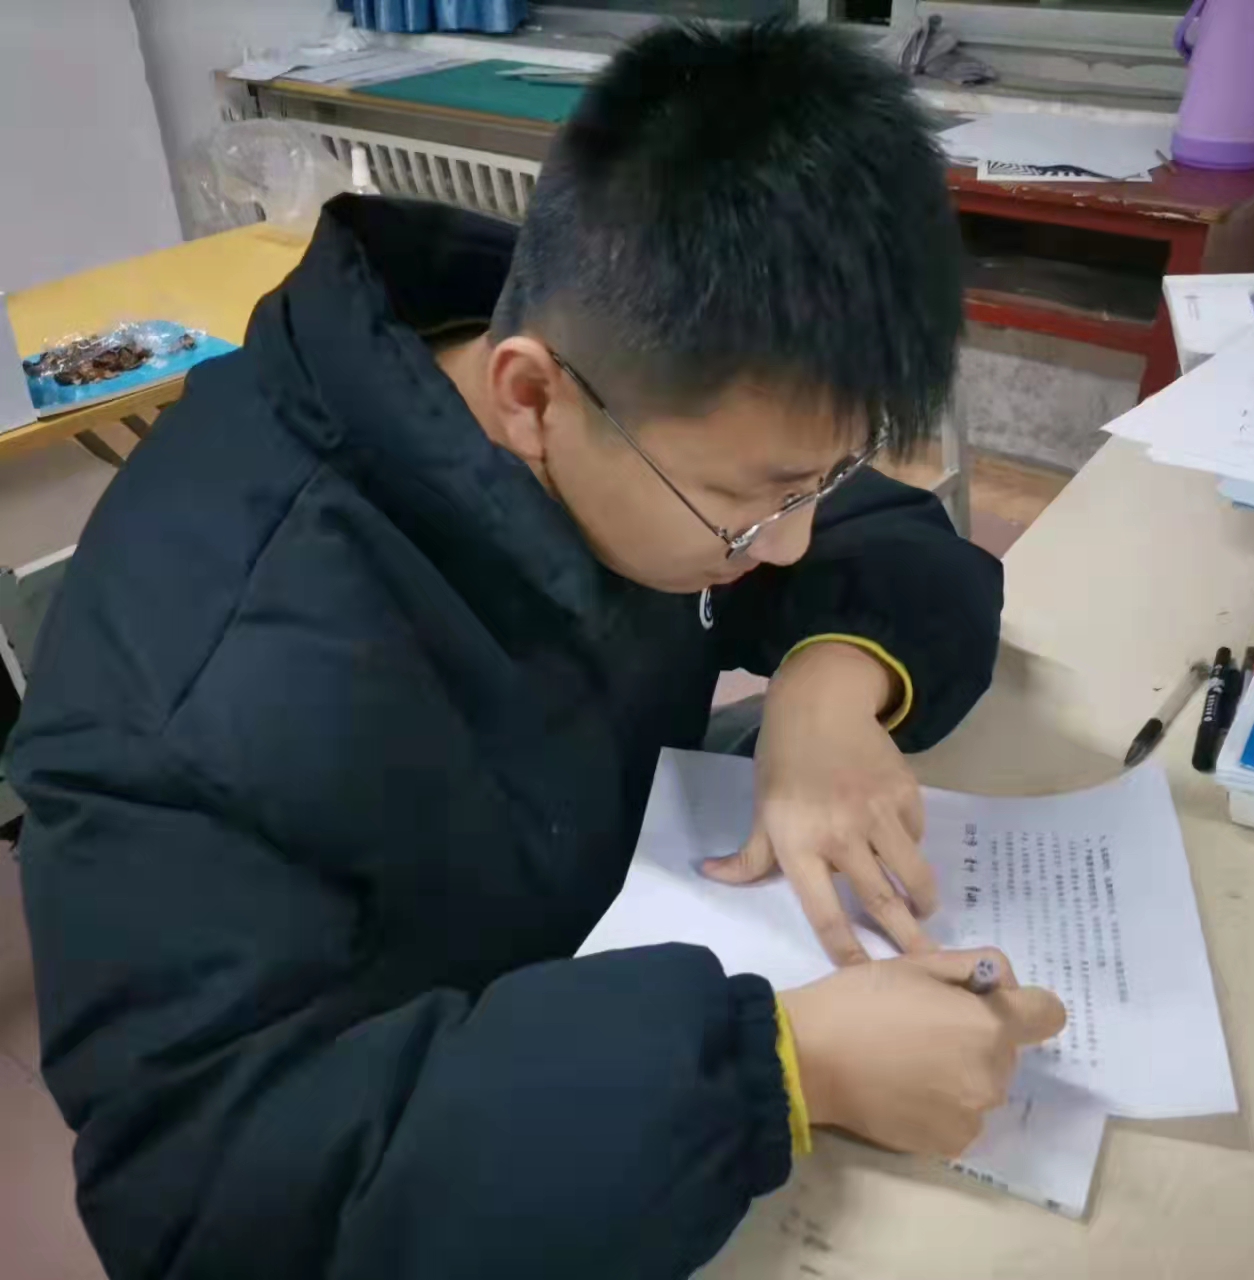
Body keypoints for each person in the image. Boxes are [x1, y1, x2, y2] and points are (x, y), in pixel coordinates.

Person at [8, 21, 1065, 1280]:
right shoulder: (200, 693)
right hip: (483, 1126)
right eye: (751, 502)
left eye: (812, 483)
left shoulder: (638, 374)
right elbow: (205, 1201)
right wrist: (778, 1068)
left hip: (595, 961)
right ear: (526, 397)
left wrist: (827, 689)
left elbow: (881, 541)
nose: (784, 544)